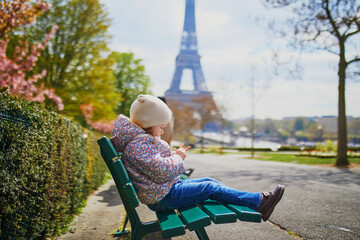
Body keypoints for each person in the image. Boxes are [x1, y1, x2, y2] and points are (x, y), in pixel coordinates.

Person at [111, 94, 284, 221]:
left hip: (164, 191)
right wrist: (178, 158)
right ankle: (259, 201)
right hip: (164, 197)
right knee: (209, 187)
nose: (163, 131)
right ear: (149, 124)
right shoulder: (139, 145)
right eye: (161, 127)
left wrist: (171, 155)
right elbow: (160, 171)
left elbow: (154, 165)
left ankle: (257, 201)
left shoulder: (140, 143)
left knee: (209, 181)